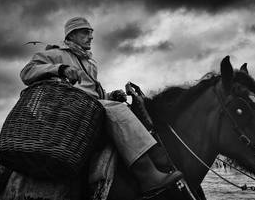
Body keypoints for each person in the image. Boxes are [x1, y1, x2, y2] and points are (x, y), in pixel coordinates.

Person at [20, 17, 183, 195]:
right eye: (85, 32)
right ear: (72, 35)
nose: (91, 37)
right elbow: (26, 72)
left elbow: (94, 95)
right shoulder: (55, 54)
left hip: (90, 107)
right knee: (117, 110)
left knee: (122, 107)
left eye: (91, 33)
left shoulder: (90, 63)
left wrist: (111, 96)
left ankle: (152, 155)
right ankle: (148, 174)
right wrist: (59, 69)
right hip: (68, 109)